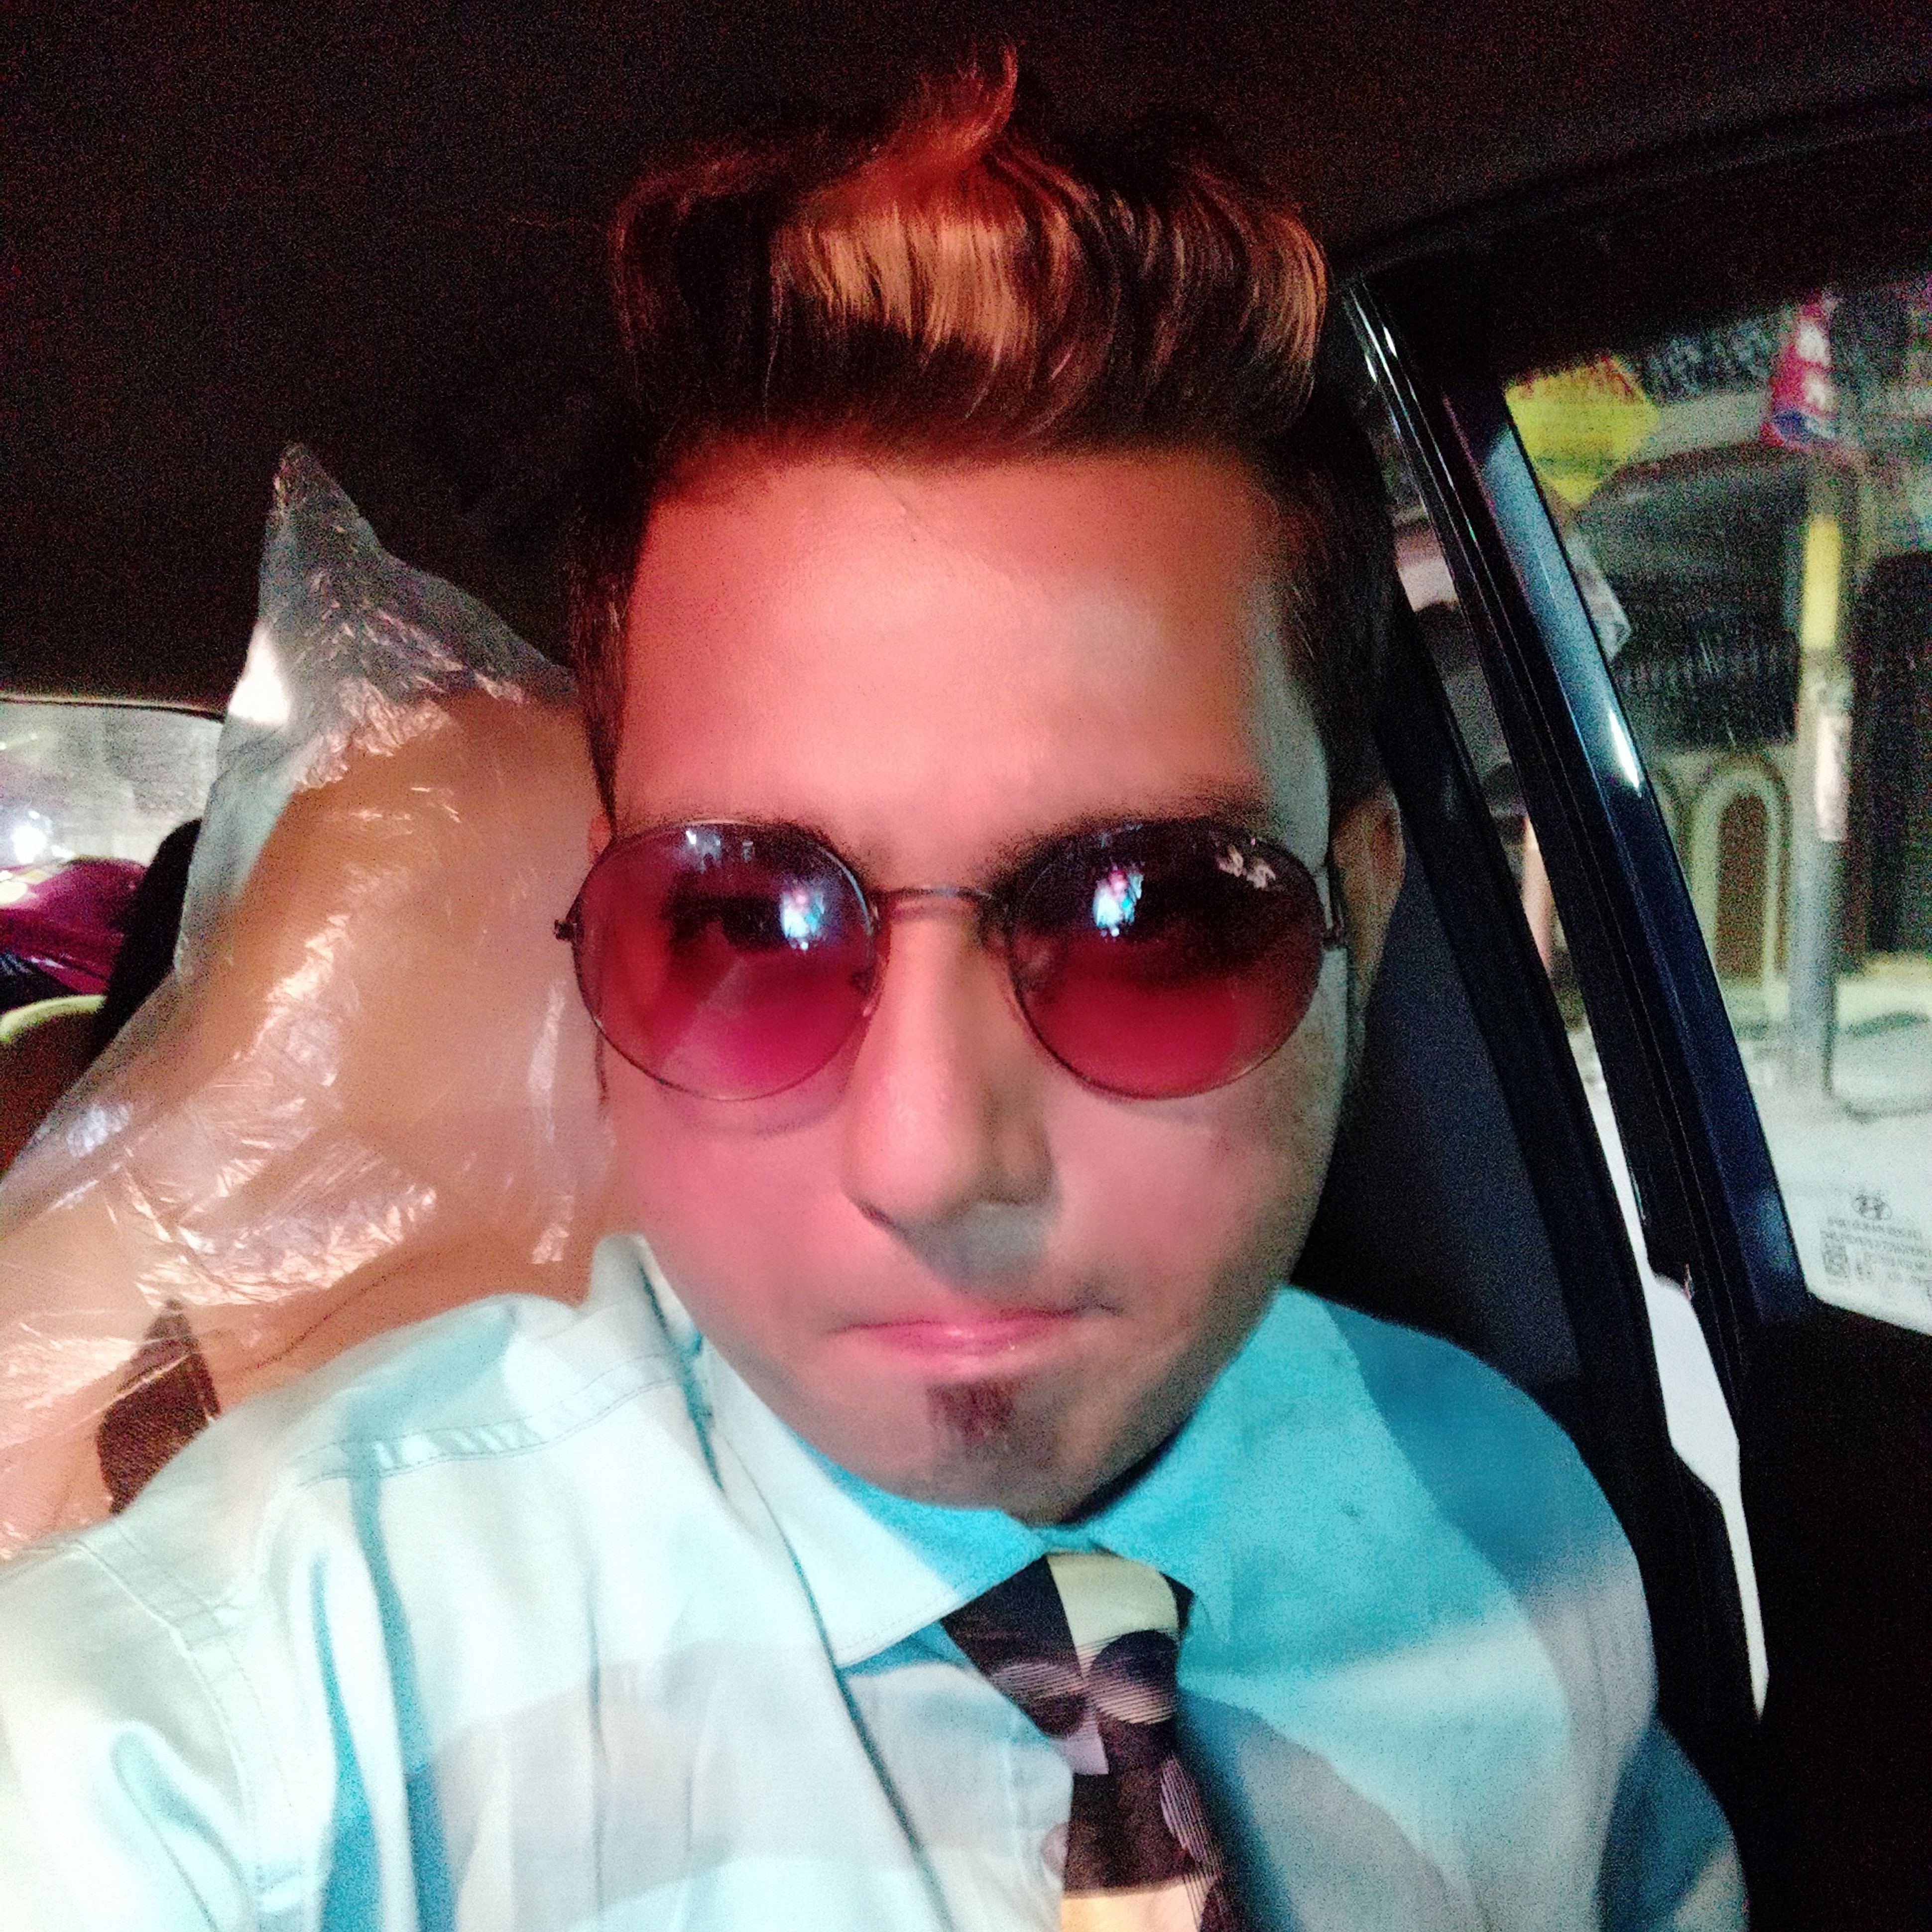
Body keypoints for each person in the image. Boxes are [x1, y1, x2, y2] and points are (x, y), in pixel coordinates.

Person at [0, 56, 1742, 1930]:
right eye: (743, 924)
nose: (929, 1160)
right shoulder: (242, 1719)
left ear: (1361, 928)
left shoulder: (1525, 1546)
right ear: (597, 950)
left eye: (1156, 916)